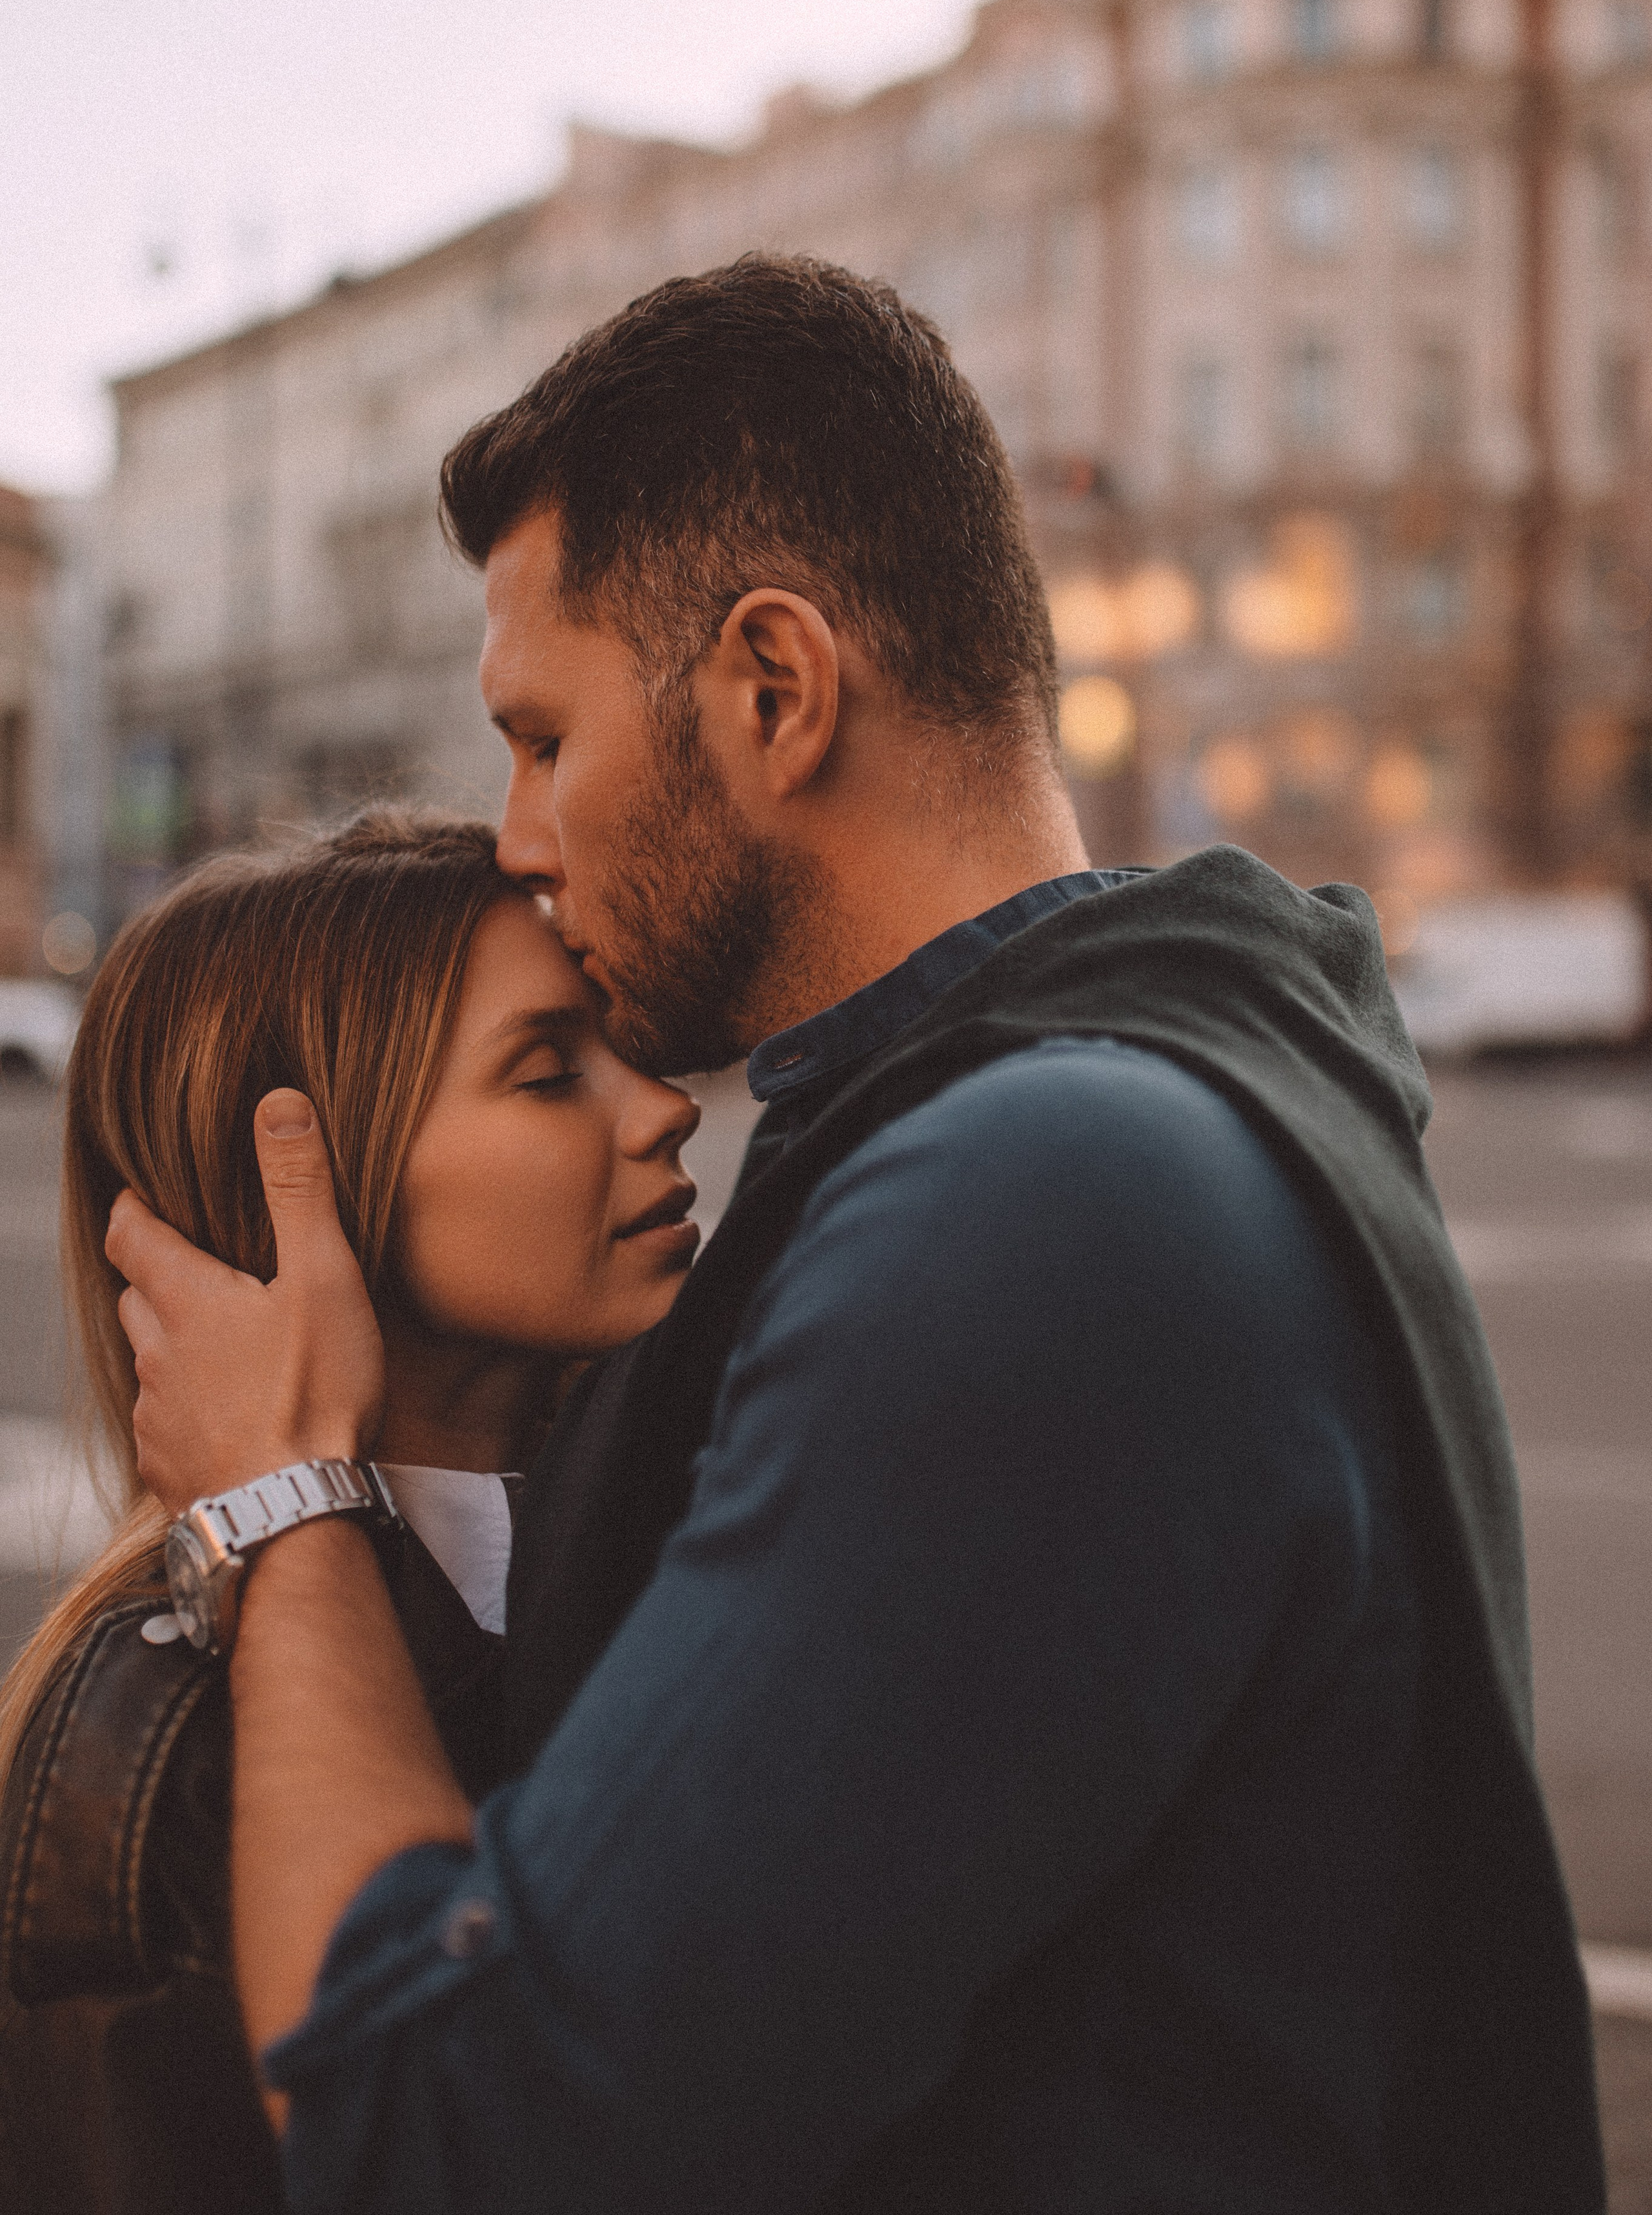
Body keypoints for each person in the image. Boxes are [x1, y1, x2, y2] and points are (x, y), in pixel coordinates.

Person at [112, 256, 1604, 2214]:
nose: (521, 836)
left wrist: (287, 1508)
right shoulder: (1181, 1068)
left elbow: (455, 2141)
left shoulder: (1044, 1201)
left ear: (773, 688)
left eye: (545, 737)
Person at [0, 811, 701, 2214]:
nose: (663, 1103)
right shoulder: (158, 1747)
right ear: (318, 1188)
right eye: (548, 1069)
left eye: (619, 1037)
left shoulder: (676, 1530)